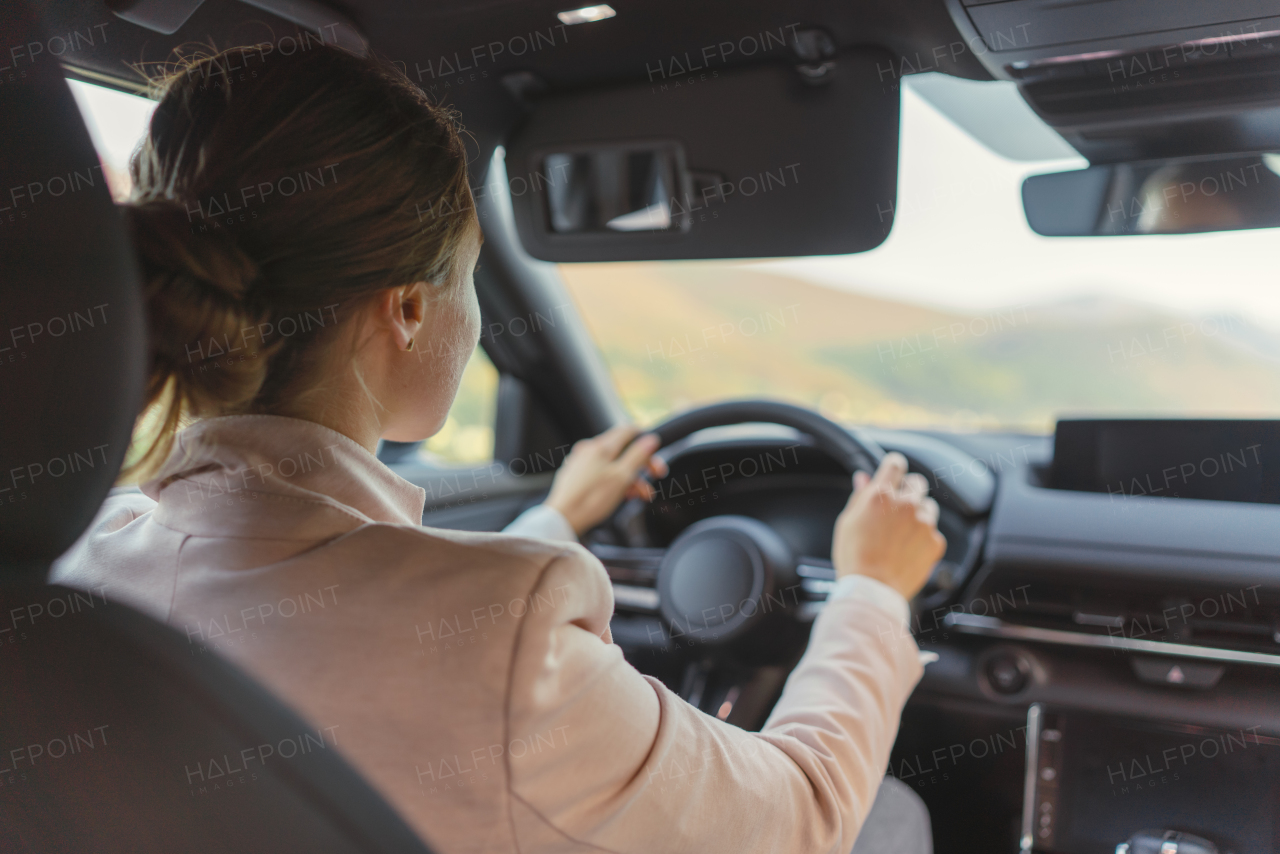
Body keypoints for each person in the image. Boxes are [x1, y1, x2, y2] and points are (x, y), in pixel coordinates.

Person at [52, 43, 947, 854]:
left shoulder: (83, 569)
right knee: (892, 816)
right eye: (471, 276)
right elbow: (801, 814)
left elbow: (400, 627)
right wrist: (871, 590)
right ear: (406, 308)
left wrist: (555, 518)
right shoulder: (514, 640)